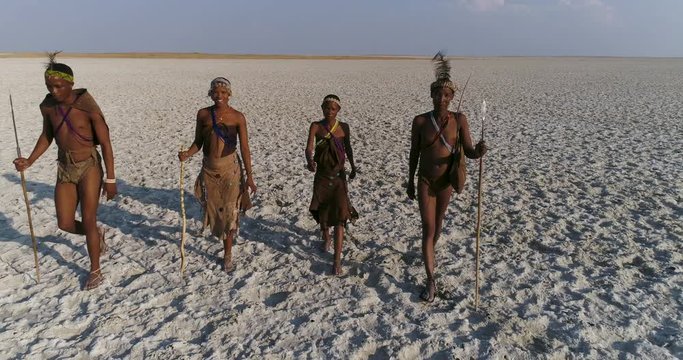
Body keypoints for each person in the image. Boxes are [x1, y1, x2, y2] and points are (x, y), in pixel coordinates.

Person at [13, 52, 117, 290]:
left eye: (59, 86)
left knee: (89, 219)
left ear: (71, 83)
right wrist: (29, 160)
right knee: (65, 223)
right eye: (49, 86)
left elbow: (107, 144)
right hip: (65, 167)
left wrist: (110, 179)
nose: (54, 91)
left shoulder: (87, 107)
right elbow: (47, 135)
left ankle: (95, 270)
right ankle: (97, 235)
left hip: (89, 165)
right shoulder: (48, 107)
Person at [407, 56, 487, 302]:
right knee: (428, 228)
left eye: (446, 95)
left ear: (452, 97)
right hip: (425, 181)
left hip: (445, 183)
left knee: (438, 225)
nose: (441, 99)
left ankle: (429, 249)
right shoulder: (420, 121)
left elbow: (470, 151)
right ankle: (431, 280)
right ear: (431, 96)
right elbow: (414, 153)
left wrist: (480, 151)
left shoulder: (459, 120)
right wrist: (410, 181)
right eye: (437, 95)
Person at [178, 77, 256, 273]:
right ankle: (223, 239)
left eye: (223, 92)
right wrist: (187, 153)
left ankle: (227, 253)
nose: (219, 96)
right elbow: (199, 142)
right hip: (209, 171)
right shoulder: (203, 114)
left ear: (229, 95)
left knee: (229, 211)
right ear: (210, 94)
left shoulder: (238, 117)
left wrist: (250, 177)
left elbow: (245, 148)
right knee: (214, 210)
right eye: (215, 92)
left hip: (230, 170)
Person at [305, 94, 359, 275]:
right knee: (322, 209)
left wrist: (353, 166)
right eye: (326, 108)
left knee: (340, 217)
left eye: (333, 109)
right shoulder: (316, 126)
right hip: (321, 176)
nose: (329, 111)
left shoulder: (343, 128)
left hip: (339, 177)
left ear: (338, 111)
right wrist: (309, 160)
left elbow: (348, 148)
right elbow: (309, 147)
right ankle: (325, 236)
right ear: (322, 108)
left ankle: (336, 260)